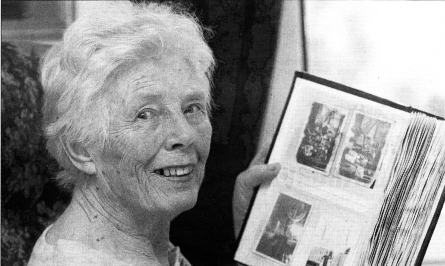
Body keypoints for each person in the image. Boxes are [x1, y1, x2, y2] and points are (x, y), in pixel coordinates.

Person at [27, 2, 280, 266]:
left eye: (192, 108)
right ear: (81, 149)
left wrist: (254, 239)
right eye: (145, 114)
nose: (185, 134)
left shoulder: (141, 246)